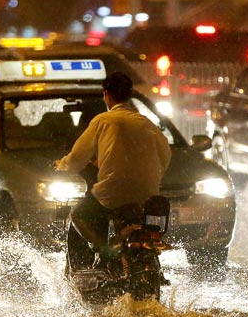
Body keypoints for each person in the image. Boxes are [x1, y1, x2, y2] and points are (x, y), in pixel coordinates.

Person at [54, 71, 172, 268]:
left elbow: (77, 158)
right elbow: (165, 155)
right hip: (146, 194)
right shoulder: (146, 123)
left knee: (78, 214)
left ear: (106, 94)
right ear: (129, 94)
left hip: (112, 191)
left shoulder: (103, 121)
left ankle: (104, 251)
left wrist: (62, 165)